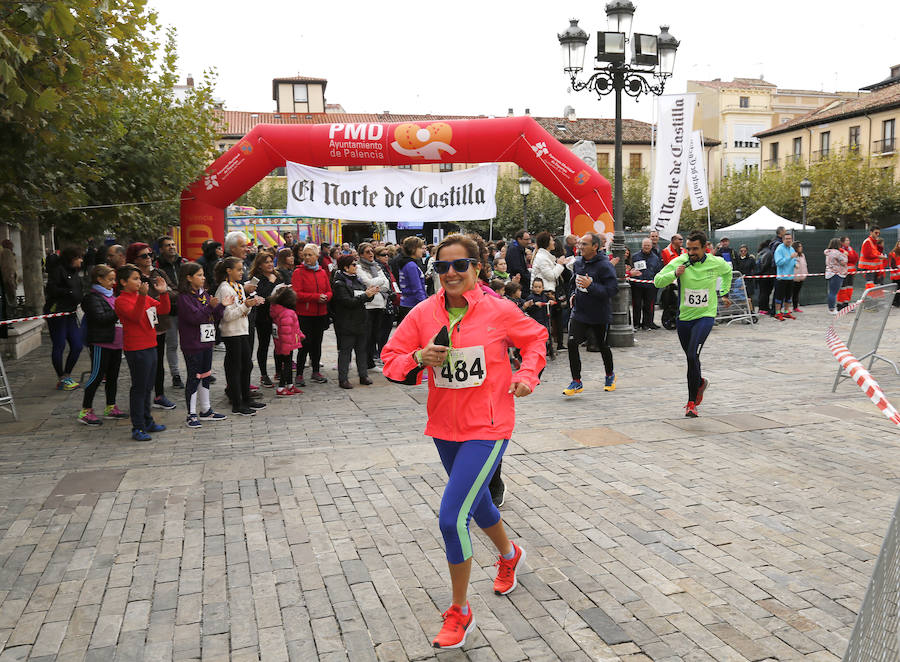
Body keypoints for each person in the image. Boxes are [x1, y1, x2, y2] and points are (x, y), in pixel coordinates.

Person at [381, 233, 547, 649]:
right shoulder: (422, 313)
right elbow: (390, 359)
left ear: (477, 267)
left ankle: (460, 611)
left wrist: (526, 375)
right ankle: (510, 556)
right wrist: (419, 359)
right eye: (441, 267)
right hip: (444, 427)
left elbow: (536, 339)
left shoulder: (499, 310)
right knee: (478, 502)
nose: (450, 273)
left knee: (452, 516)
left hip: (489, 427)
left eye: (459, 265)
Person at [653, 231, 733, 418]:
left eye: (695, 249)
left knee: (692, 355)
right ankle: (699, 383)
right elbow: (657, 281)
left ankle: (691, 404)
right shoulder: (681, 261)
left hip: (705, 316)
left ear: (706, 247)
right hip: (684, 319)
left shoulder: (716, 262)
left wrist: (724, 293)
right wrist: (674, 273)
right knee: (692, 358)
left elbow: (728, 272)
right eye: (688, 249)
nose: (691, 252)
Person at [114, 264, 171, 441]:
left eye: (139, 278)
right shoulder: (122, 300)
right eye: (135, 279)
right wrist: (143, 297)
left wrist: (163, 293)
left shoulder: (142, 297)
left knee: (148, 387)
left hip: (150, 345)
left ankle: (147, 420)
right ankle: (137, 426)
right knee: (139, 388)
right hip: (136, 348)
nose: (139, 282)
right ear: (123, 282)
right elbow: (135, 317)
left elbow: (163, 310)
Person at [563, 232, 618, 396]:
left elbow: (612, 290)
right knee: (572, 343)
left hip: (599, 313)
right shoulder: (578, 262)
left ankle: (610, 375)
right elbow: (574, 281)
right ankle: (576, 381)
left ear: (595, 247)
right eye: (579, 244)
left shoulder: (604, 265)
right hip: (580, 311)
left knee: (602, 345)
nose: (580, 247)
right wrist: (573, 294)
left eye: (584, 244)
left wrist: (591, 286)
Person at [177, 261, 229, 427]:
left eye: (202, 274)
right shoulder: (184, 298)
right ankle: (191, 413)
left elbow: (213, 316)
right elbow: (195, 318)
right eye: (199, 275)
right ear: (189, 278)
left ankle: (206, 409)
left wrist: (221, 306)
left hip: (206, 342)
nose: (203, 278)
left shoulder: (203, 294)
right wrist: (210, 307)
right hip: (193, 344)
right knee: (194, 377)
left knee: (205, 375)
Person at [127, 242, 177, 410]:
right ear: (135, 259)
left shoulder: (159, 272)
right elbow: (129, 300)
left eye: (150, 255)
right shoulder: (132, 275)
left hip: (159, 321)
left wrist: (163, 291)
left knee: (158, 361)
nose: (148, 259)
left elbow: (172, 292)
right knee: (144, 366)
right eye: (144, 256)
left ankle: (159, 395)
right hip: (140, 327)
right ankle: (143, 400)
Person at [215, 257, 265, 416]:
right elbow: (227, 315)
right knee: (235, 368)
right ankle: (237, 403)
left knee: (246, 365)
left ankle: (246, 398)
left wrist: (250, 304)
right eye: (238, 269)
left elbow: (243, 309)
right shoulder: (225, 288)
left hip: (242, 330)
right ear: (228, 271)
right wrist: (246, 305)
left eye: (241, 269)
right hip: (232, 332)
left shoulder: (238, 286)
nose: (241, 272)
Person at [78, 265, 128, 425]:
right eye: (110, 279)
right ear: (99, 279)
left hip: (116, 343)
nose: (113, 283)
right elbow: (100, 318)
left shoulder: (112, 296)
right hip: (102, 343)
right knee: (97, 376)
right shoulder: (92, 298)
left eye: (114, 279)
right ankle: (86, 410)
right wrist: (118, 310)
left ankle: (111, 407)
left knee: (113, 377)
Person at [331, 255, 379, 389]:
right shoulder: (339, 283)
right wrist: (366, 295)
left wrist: (370, 293)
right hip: (347, 322)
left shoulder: (356, 280)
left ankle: (363, 375)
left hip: (361, 320)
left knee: (361, 350)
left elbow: (364, 298)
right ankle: (343, 379)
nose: (356, 266)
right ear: (345, 267)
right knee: (345, 351)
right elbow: (348, 302)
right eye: (353, 264)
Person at [292, 244, 332, 386]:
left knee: (317, 343)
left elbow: (329, 290)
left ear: (317, 256)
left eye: (310, 255)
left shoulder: (321, 272)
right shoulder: (298, 272)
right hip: (305, 314)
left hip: (320, 313)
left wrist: (326, 297)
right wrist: (316, 297)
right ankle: (300, 374)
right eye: (305, 255)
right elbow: (296, 293)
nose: (307, 257)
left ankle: (316, 371)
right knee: (304, 344)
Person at [45, 245, 85, 391]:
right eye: (79, 257)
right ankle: (61, 378)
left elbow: (78, 289)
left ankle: (67, 374)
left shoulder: (74, 272)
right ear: (72, 258)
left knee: (77, 345)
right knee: (59, 345)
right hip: (58, 313)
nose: (81, 260)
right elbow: (51, 289)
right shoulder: (58, 270)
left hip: (71, 312)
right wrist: (68, 292)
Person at [154, 236, 186, 390]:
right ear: (161, 249)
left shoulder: (183, 262)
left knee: (189, 342)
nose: (172, 247)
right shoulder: (158, 266)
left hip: (186, 308)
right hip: (170, 311)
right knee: (172, 344)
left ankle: (196, 370)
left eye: (173, 244)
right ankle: (176, 375)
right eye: (167, 245)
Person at [356, 243, 390, 370]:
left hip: (380, 304)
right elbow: (367, 283)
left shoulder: (377, 266)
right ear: (361, 255)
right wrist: (378, 282)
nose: (370, 254)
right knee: (367, 336)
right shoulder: (359, 267)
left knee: (376, 335)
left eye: (371, 251)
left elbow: (386, 284)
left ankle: (371, 362)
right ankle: (366, 362)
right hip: (368, 306)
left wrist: (376, 284)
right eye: (367, 252)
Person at [249, 252, 281, 388]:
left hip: (278, 315)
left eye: (271, 261)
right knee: (264, 344)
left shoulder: (277, 275)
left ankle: (279, 371)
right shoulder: (255, 279)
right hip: (263, 316)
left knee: (279, 343)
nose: (269, 264)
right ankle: (264, 374)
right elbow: (261, 296)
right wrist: (271, 283)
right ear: (260, 265)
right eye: (266, 262)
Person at [270, 286, 304, 396]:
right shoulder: (287, 313)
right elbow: (285, 332)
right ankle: (281, 387)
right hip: (286, 345)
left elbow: (294, 328)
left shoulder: (279, 310)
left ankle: (290, 385)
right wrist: (286, 349)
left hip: (282, 343)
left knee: (287, 365)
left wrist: (300, 335)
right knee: (287, 365)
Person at [629, 238, 663, 330]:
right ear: (642, 245)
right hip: (637, 285)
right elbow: (631, 268)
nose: (646, 247)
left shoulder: (655, 258)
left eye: (648, 245)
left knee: (648, 305)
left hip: (650, 285)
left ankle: (646, 324)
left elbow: (657, 271)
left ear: (651, 246)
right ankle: (636, 324)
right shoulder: (635, 256)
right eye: (645, 245)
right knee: (637, 305)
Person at [374, 247, 399, 360]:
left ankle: (382, 351)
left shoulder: (387, 267)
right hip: (384, 301)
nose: (386, 257)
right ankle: (379, 352)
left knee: (387, 328)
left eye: (387, 254)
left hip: (390, 300)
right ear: (377, 256)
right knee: (382, 329)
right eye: (383, 255)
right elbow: (381, 284)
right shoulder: (378, 267)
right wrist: (389, 293)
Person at [397, 236, 427, 322]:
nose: (423, 250)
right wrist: (425, 304)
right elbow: (417, 288)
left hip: (406, 303)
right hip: (412, 304)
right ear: (413, 249)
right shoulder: (411, 266)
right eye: (420, 248)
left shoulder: (406, 263)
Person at [523, 277, 554, 357]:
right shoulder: (531, 297)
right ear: (532, 287)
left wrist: (550, 302)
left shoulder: (545, 297)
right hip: (535, 321)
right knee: (537, 338)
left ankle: (548, 349)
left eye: (539, 287)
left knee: (546, 335)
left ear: (543, 288)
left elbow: (548, 305)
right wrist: (535, 305)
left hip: (544, 320)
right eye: (535, 287)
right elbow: (528, 310)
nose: (537, 289)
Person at [773, 233, 798, 321]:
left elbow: (794, 259)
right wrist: (789, 258)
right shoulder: (779, 249)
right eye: (787, 238)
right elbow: (778, 262)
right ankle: (777, 313)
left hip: (790, 277)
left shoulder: (791, 249)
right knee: (779, 296)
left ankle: (786, 312)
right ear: (783, 240)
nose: (789, 240)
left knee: (788, 296)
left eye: (790, 238)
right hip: (782, 277)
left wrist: (795, 264)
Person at [824, 238, 848, 314]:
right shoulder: (837, 253)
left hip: (830, 273)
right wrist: (845, 255)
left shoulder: (828, 252)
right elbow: (844, 262)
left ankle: (831, 308)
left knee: (831, 292)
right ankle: (832, 309)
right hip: (837, 273)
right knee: (833, 293)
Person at [837, 235, 858, 310]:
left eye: (848, 240)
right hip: (843, 272)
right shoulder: (840, 250)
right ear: (842, 242)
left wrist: (850, 257)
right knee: (843, 288)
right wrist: (850, 257)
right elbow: (849, 258)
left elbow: (855, 257)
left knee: (849, 288)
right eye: (846, 240)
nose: (848, 242)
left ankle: (846, 303)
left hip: (851, 272)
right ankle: (840, 304)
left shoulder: (850, 249)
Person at [755, 239, 776, 315]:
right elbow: (766, 265)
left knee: (762, 292)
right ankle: (764, 308)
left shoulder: (760, 252)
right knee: (766, 292)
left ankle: (762, 308)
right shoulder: (769, 253)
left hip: (760, 275)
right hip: (767, 275)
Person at [791, 242, 808, 313]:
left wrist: (805, 273)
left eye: (801, 246)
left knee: (796, 293)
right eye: (799, 246)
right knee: (790, 293)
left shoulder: (802, 255)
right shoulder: (793, 255)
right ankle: (786, 308)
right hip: (793, 278)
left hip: (801, 277)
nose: (801, 247)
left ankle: (795, 307)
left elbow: (804, 265)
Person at [1, 239, 18, 308]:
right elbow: (9, 268)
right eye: (11, 244)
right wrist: (11, 281)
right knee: (11, 299)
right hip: (8, 280)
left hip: (7, 279)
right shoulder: (7, 252)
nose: (12, 246)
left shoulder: (4, 252)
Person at [889, 240, 900, 307]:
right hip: (896, 275)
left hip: (898, 274)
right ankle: (895, 302)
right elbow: (893, 265)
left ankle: (897, 302)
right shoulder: (893, 253)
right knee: (897, 289)